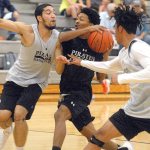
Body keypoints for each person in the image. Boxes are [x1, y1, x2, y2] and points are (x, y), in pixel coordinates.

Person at [0, 3, 104, 150]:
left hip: (36, 83)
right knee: (3, 117)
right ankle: (6, 129)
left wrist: (59, 60)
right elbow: (3, 22)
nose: (53, 15)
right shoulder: (28, 30)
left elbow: (58, 59)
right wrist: (89, 28)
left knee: (19, 114)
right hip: (15, 79)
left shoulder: (57, 38)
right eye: (48, 13)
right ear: (39, 18)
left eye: (54, 12)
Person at [67, 5, 150, 150]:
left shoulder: (138, 48)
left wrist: (122, 78)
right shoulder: (125, 51)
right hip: (134, 110)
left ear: (120, 29)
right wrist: (81, 62)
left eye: (114, 27)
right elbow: (108, 66)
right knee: (99, 136)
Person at [52, 7, 133, 150]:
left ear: (92, 24)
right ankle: (121, 149)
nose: (77, 21)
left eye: (81, 19)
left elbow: (100, 77)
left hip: (81, 93)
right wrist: (87, 30)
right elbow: (60, 37)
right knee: (93, 135)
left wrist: (105, 54)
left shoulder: (97, 45)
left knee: (60, 115)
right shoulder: (70, 37)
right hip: (65, 91)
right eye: (77, 18)